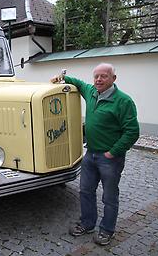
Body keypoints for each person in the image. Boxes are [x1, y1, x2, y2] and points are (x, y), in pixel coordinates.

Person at [51, 63, 139, 246]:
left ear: (113, 79)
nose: (98, 80)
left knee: (109, 196)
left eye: (103, 76)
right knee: (86, 191)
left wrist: (113, 152)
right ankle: (87, 223)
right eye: (96, 76)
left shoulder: (124, 101)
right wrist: (63, 78)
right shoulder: (91, 91)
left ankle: (107, 230)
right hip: (90, 155)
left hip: (110, 159)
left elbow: (132, 132)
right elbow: (79, 83)